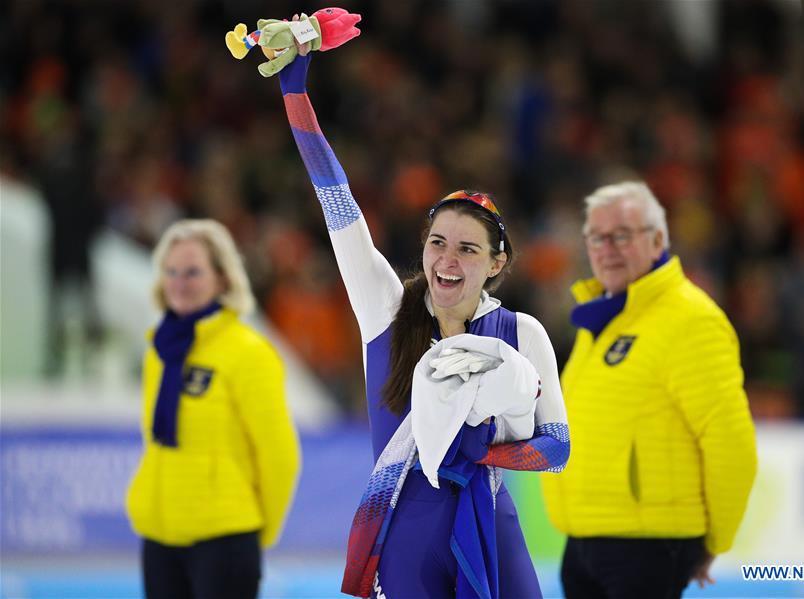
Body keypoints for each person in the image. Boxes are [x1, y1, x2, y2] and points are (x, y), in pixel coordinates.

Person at [275, 45, 570, 598]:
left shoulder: (523, 333)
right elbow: (337, 204)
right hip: (405, 532)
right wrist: (296, 97)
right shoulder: (387, 309)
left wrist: (480, 454)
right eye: (437, 243)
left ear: (497, 263)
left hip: (490, 521)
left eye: (467, 249)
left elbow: (558, 448)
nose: (447, 261)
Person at [541, 181, 758, 599]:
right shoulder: (604, 319)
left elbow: (731, 441)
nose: (607, 248)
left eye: (622, 235)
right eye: (596, 237)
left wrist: (714, 541)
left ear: (658, 239)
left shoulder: (690, 320)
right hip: (584, 539)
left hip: (648, 544)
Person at [125, 219, 301, 599]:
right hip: (159, 534)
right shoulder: (159, 348)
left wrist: (257, 531)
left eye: (192, 272)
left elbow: (279, 454)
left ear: (223, 279)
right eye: (171, 271)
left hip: (224, 538)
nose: (179, 282)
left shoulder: (249, 352)